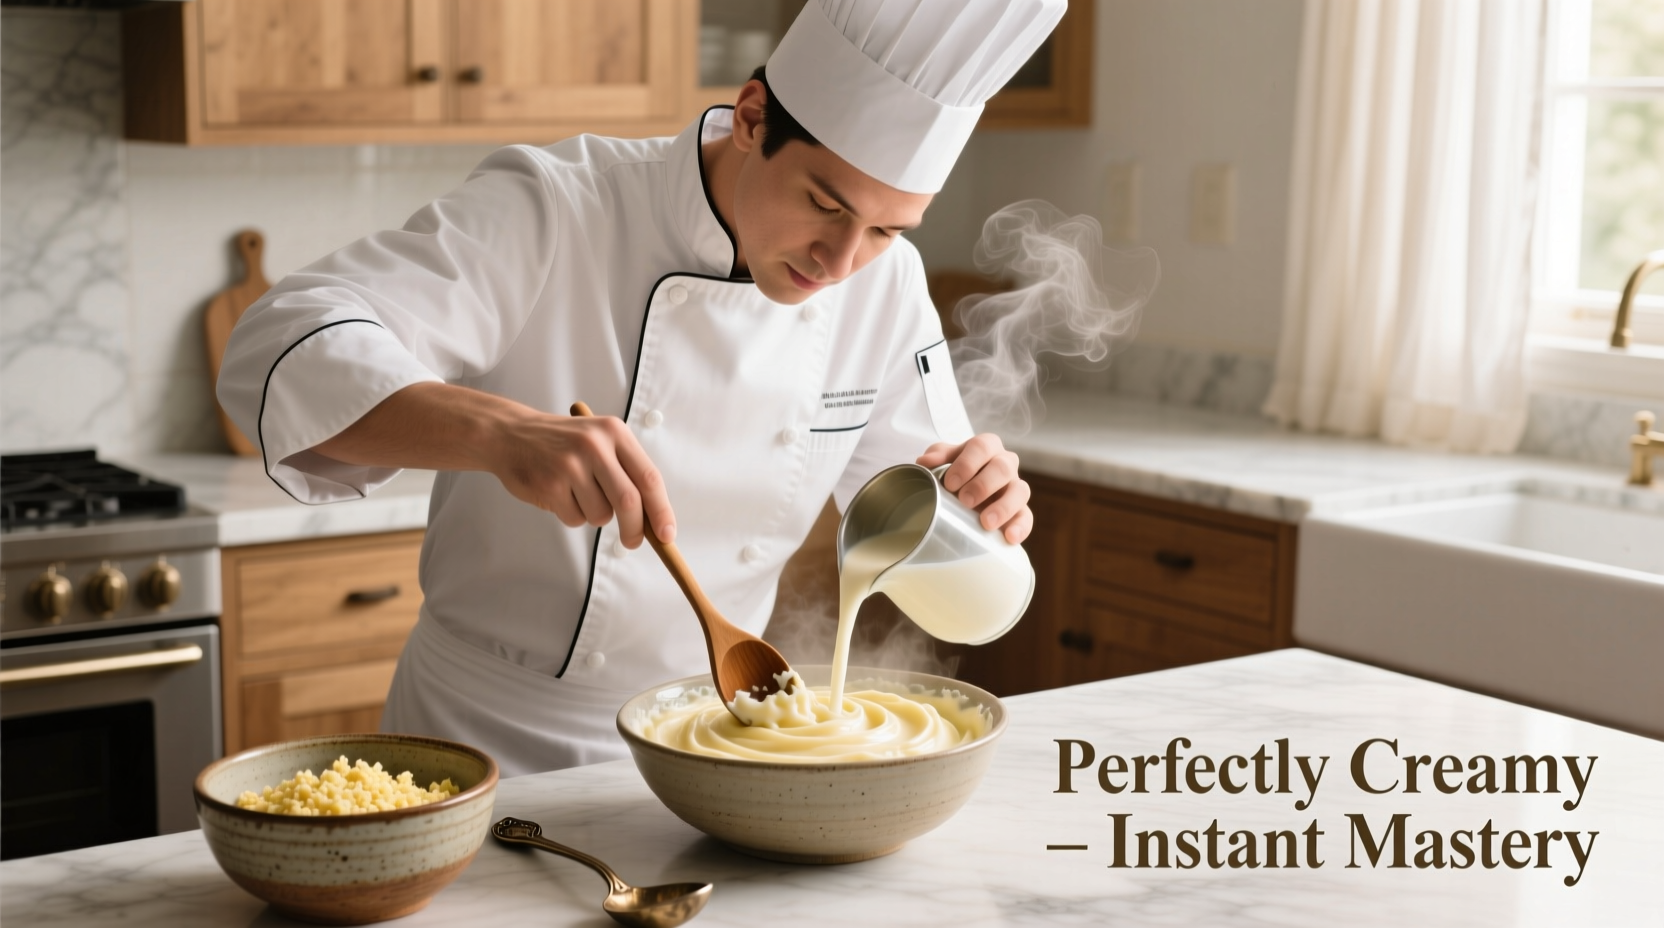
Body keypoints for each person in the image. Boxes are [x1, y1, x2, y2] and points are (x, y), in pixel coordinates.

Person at [218, 0, 1065, 776]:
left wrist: (973, 506)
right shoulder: (559, 208)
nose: (840, 262)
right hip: (479, 736)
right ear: (751, 117)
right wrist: (500, 435)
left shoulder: (885, 284)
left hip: (712, 742)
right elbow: (275, 344)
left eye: (885, 229)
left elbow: (932, 554)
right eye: (824, 205)